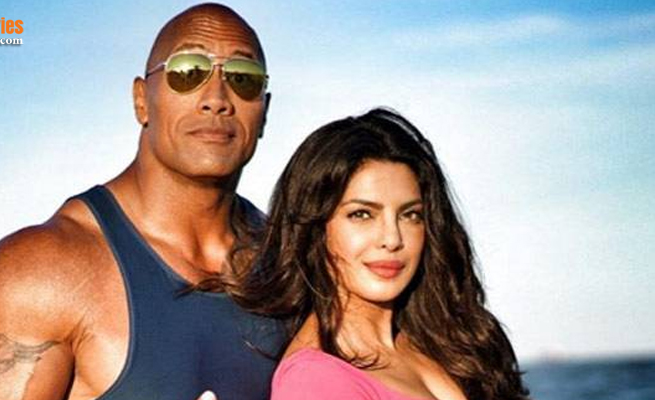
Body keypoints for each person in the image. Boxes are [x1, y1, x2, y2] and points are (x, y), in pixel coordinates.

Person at [0, 3, 285, 400]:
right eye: (188, 72)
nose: (217, 98)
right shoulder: (43, 272)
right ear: (141, 100)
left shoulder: (295, 266)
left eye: (243, 78)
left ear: (264, 111)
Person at [225, 108, 530, 399]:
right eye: (362, 214)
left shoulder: (445, 343)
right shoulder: (315, 380)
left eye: (410, 215)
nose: (392, 239)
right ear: (315, 229)